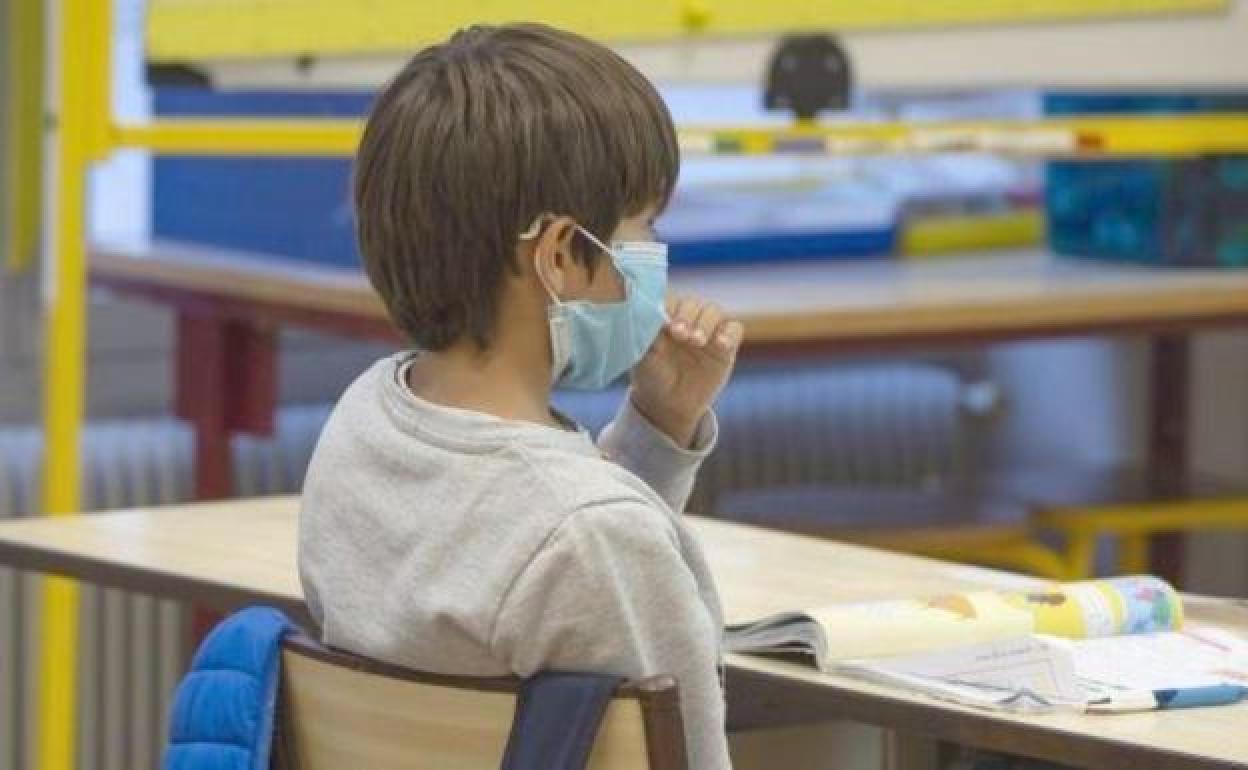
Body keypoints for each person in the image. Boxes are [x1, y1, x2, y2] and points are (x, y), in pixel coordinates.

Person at [299, 22, 743, 769]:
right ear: (563, 255)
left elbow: (541, 551)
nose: (655, 255)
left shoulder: (364, 423)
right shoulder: (591, 533)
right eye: (644, 225)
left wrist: (658, 428)